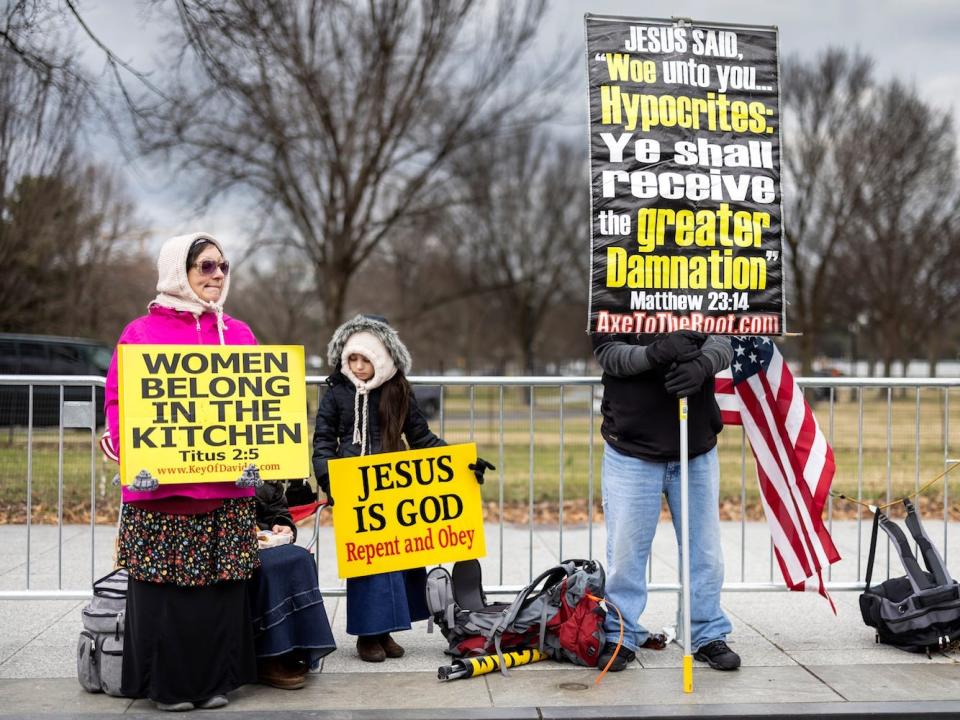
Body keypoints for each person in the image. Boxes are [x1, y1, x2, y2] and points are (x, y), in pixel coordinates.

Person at [103, 233, 260, 711]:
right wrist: (130, 455)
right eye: (205, 266)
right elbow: (117, 403)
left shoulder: (240, 334)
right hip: (162, 496)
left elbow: (258, 410)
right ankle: (168, 688)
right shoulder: (140, 333)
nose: (217, 275)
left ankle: (215, 683)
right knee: (165, 599)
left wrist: (264, 457)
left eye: (223, 267)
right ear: (179, 271)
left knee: (220, 594)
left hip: (225, 493)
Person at [312, 314, 490, 662]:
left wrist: (461, 462)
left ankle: (387, 630)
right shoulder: (336, 393)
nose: (359, 366)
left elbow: (422, 438)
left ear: (381, 358)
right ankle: (368, 635)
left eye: (366, 359)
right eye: (353, 359)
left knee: (396, 561)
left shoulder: (398, 390)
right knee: (366, 567)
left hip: (394, 486)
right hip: (354, 489)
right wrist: (330, 480)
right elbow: (322, 441)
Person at [592, 330, 741, 672]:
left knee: (705, 552)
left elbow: (724, 342)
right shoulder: (611, 288)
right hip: (631, 448)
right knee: (626, 554)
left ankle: (706, 632)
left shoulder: (701, 284)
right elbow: (609, 354)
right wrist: (654, 352)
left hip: (695, 447)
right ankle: (621, 632)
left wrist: (703, 364)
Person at [252, 481, 336, 689]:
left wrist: (282, 524)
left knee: (300, 558)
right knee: (270, 567)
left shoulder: (264, 473)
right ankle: (268, 656)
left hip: (264, 539)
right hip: (224, 540)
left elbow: (278, 510)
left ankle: (294, 648)